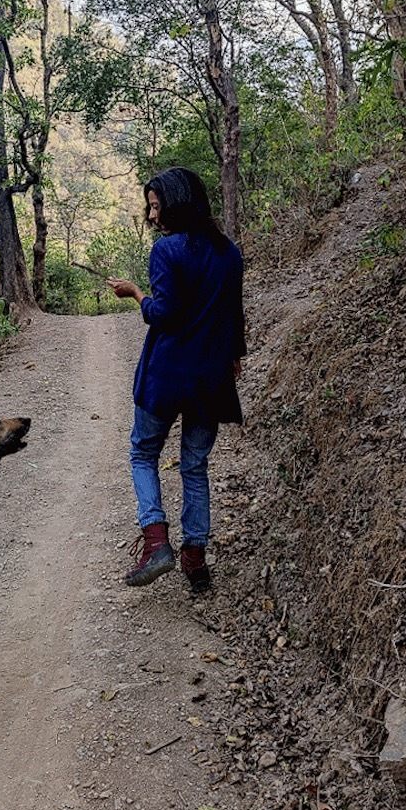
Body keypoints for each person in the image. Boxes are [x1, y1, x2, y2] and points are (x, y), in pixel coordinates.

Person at [107, 167, 246, 594]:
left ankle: (156, 542)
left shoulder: (167, 251)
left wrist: (135, 294)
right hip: (210, 378)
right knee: (195, 466)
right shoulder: (230, 253)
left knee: (143, 453)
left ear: (176, 203)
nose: (151, 216)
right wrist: (235, 357)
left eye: (154, 206)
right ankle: (196, 561)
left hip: (166, 376)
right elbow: (233, 315)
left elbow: (163, 313)